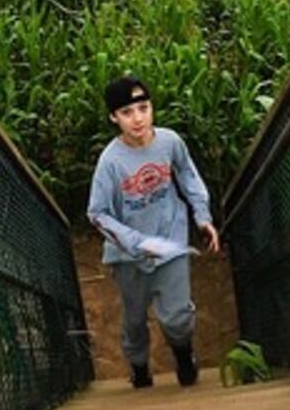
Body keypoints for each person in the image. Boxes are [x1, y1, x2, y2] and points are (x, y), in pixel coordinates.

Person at [86, 75, 220, 388]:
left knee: (177, 314)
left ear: (151, 108)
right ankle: (140, 368)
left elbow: (188, 176)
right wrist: (136, 243)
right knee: (134, 321)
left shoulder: (170, 142)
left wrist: (202, 217)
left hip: (171, 243)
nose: (138, 119)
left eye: (143, 108)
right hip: (129, 257)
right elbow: (97, 213)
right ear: (113, 117)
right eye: (127, 113)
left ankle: (184, 356)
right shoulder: (110, 163)